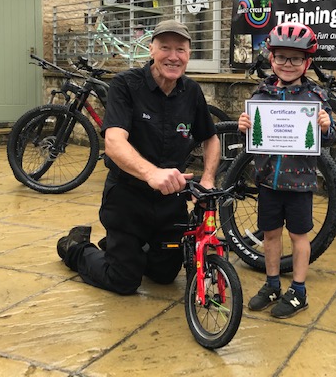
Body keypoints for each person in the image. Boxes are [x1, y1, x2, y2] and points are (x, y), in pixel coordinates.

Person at [57, 19, 220, 295]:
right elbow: (113, 142)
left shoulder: (191, 92)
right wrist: (151, 173)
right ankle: (75, 247)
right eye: (165, 48)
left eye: (180, 49)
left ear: (189, 55)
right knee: (123, 280)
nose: (173, 56)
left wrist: (208, 177)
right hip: (128, 198)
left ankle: (122, 247)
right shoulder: (126, 85)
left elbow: (211, 138)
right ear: (151, 51)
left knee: (165, 275)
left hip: (171, 202)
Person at [238, 21, 336, 318]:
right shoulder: (261, 96)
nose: (288, 64)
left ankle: (299, 290)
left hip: (300, 184)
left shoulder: (316, 98)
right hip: (268, 181)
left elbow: (329, 139)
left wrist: (326, 127)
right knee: (270, 235)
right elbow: (254, 139)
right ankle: (271, 284)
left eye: (296, 58)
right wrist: (244, 128)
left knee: (298, 237)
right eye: (281, 57)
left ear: (307, 62)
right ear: (272, 59)